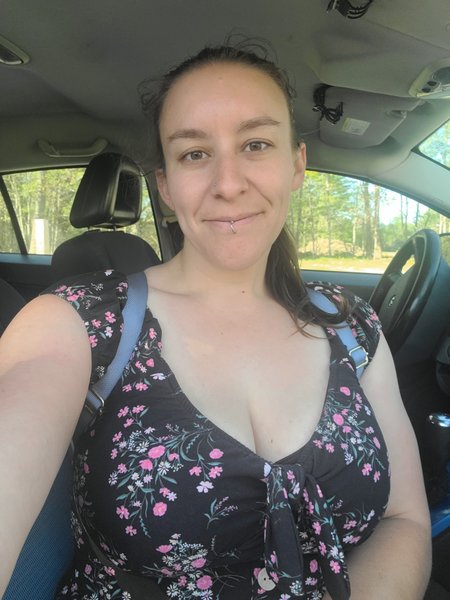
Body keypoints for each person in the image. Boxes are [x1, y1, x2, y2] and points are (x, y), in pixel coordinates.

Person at [0, 43, 431, 600]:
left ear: (296, 164)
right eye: (195, 154)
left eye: (256, 144)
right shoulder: (76, 322)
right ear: (165, 186)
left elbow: (404, 520)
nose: (228, 183)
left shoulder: (350, 325)